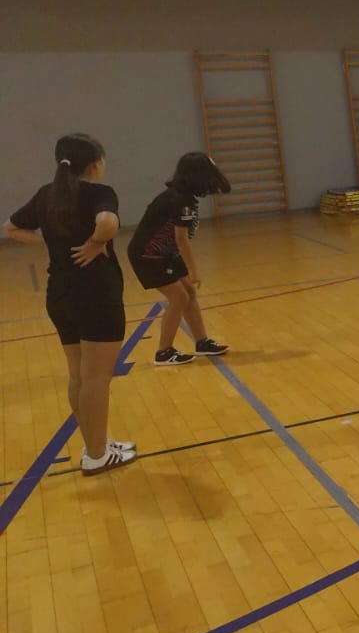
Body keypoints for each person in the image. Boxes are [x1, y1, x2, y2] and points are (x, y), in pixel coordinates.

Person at [4, 134, 136, 474]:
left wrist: (53, 245)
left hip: (59, 293)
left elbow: (11, 228)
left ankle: (97, 444)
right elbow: (108, 223)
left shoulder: (46, 195)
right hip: (95, 294)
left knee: (78, 373)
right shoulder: (98, 193)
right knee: (96, 378)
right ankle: (96, 454)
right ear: (94, 163)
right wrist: (94, 242)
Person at [127, 152, 232, 365]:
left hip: (166, 253)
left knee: (189, 293)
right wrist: (193, 270)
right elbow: (181, 239)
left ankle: (202, 342)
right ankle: (164, 351)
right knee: (179, 298)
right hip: (148, 256)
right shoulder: (180, 200)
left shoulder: (182, 196)